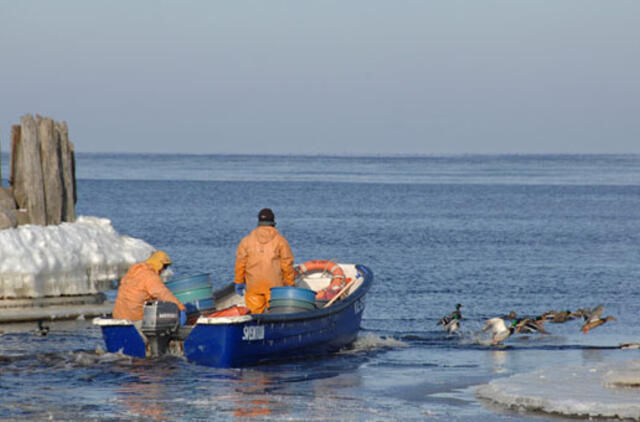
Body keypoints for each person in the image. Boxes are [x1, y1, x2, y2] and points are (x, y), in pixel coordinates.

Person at [234, 208, 295, 314]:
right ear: (273, 223)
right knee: (276, 313)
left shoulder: (246, 241)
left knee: (255, 315)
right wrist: (290, 283)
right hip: (275, 286)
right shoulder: (280, 241)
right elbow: (287, 264)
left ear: (258, 223)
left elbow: (240, 263)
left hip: (253, 285)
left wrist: (239, 281)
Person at [112, 250, 187, 325]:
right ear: (158, 264)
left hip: (118, 318)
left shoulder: (133, 272)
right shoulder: (150, 276)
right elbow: (163, 294)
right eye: (164, 266)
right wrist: (180, 308)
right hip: (135, 319)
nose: (164, 270)